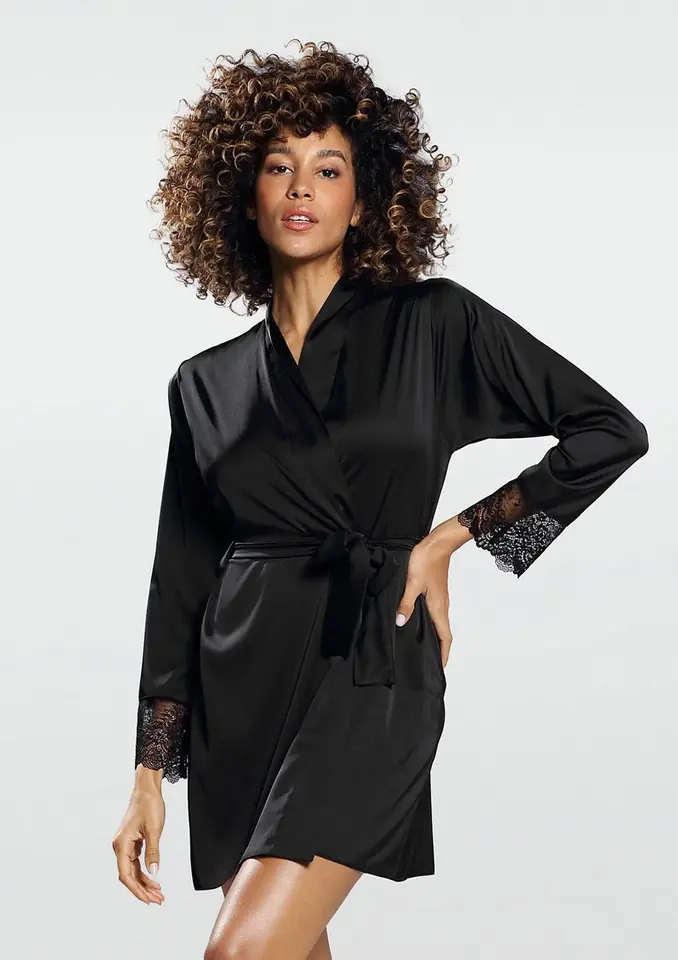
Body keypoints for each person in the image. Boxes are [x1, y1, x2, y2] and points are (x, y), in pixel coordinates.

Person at [112, 40, 649, 960]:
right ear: (244, 193)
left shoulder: (434, 323)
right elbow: (181, 583)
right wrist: (148, 775)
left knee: (240, 952)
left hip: (373, 660)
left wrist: (453, 536)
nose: (301, 187)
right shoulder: (203, 383)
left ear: (364, 202)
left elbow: (609, 431)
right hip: (243, 676)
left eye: (329, 169)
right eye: (278, 166)